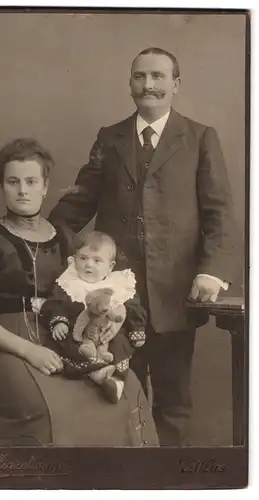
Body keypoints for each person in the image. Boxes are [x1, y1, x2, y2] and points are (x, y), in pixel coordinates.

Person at [49, 47, 236, 446]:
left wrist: (211, 271)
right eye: (139, 77)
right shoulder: (110, 138)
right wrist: (42, 242)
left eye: (157, 76)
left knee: (172, 399)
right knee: (114, 389)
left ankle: (166, 480)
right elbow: (79, 200)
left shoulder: (200, 138)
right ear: (130, 83)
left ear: (176, 85)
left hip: (173, 292)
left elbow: (219, 211)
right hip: (114, 296)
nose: (148, 85)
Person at [0, 137, 159, 447]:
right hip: (5, 344)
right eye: (13, 181)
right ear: (2, 186)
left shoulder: (67, 240)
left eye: (31, 181)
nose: (23, 190)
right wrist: (30, 351)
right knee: (40, 405)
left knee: (127, 385)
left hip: (65, 337)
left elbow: (94, 290)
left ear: (45, 186)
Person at [41, 230, 147, 403]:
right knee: (65, 340)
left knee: (121, 342)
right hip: (81, 334)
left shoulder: (118, 283)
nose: (88, 265)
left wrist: (137, 328)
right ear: (74, 258)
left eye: (97, 260)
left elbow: (132, 307)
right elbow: (55, 304)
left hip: (108, 335)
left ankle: (116, 375)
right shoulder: (69, 282)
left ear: (110, 266)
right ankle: (97, 371)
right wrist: (59, 321)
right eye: (83, 258)